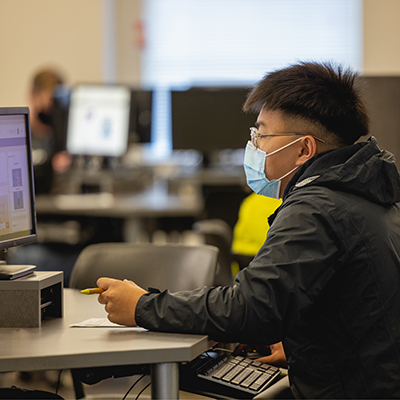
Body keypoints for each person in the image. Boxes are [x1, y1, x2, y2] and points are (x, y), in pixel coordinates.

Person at [96, 61, 400, 398]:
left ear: (304, 149)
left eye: (262, 134)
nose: (253, 146)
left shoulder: (316, 208)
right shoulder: (366, 192)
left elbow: (251, 308)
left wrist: (142, 305)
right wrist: (306, 341)